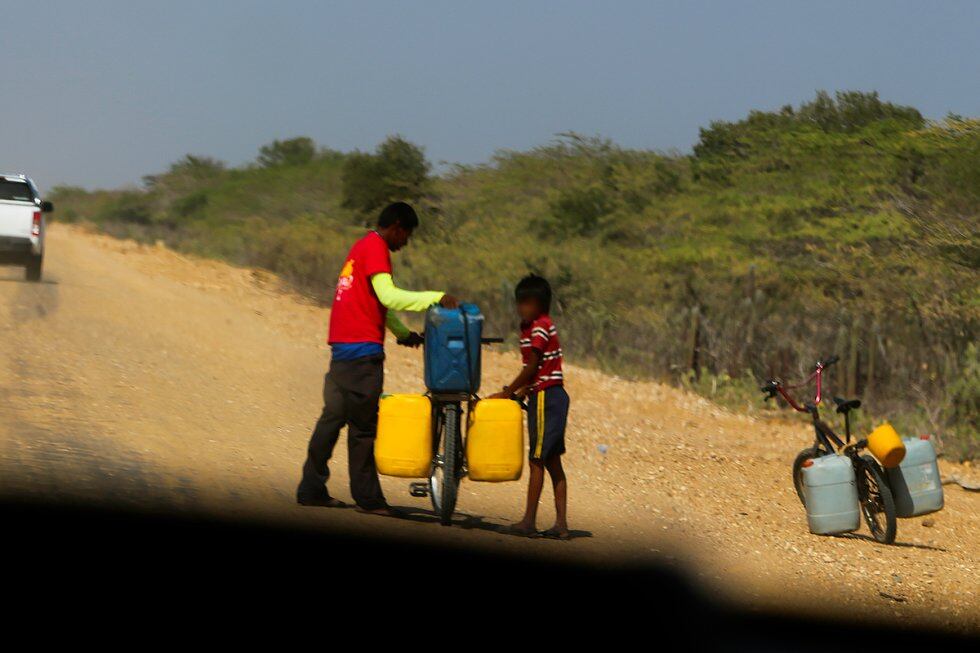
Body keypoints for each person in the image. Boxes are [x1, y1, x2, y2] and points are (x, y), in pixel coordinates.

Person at [297, 201, 458, 515]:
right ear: (397, 226)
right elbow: (389, 296)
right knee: (364, 429)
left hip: (343, 350)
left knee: (331, 420)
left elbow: (375, 303)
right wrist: (436, 297)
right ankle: (369, 500)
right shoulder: (376, 248)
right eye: (407, 235)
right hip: (362, 355)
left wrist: (401, 333)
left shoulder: (361, 246)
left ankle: (310, 488)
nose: (406, 242)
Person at [489, 274, 570, 539]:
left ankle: (528, 522)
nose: (521, 308)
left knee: (537, 460)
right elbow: (539, 369)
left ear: (540, 305)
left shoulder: (539, 327)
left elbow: (533, 366)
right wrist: (522, 391)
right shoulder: (535, 326)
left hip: (546, 397)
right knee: (552, 462)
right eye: (519, 303)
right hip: (550, 395)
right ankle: (561, 526)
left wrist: (508, 392)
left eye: (526, 303)